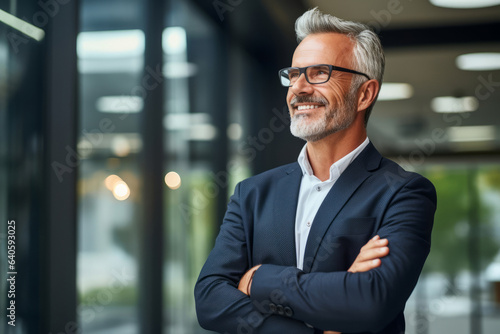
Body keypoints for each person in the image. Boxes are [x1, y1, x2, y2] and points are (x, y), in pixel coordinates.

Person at [195, 7, 436, 334]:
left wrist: (259, 278)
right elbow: (209, 298)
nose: (299, 88)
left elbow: (371, 302)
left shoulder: (404, 192)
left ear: (364, 93)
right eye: (294, 74)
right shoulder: (252, 193)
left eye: (319, 72)